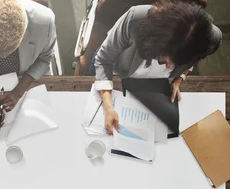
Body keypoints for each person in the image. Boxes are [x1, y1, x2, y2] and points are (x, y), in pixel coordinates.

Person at [92, 0, 221, 133]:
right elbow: (103, 59)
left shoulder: (211, 38)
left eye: (176, 63)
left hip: (152, 88)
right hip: (114, 68)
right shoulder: (136, 19)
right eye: (166, 58)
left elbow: (194, 59)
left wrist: (179, 79)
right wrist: (108, 107)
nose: (169, 66)